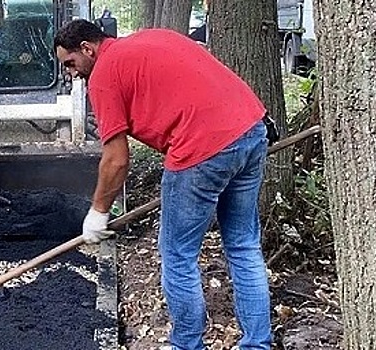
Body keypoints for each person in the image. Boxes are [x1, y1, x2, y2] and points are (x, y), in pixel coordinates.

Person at [54, 20, 271, 349]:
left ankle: (187, 345)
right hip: (251, 129)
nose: (72, 73)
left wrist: (98, 212)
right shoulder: (155, 37)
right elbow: (213, 75)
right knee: (243, 246)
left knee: (178, 255)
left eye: (70, 64)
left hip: (200, 148)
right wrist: (260, 121)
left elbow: (116, 160)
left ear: (87, 48)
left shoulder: (103, 76)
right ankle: (257, 344)